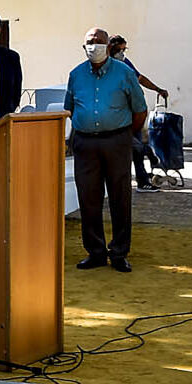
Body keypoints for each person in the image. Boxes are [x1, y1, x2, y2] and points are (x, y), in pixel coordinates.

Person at [65, 26, 147, 273]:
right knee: (88, 198)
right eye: (90, 42)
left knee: (120, 197)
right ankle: (96, 252)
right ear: (84, 47)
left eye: (99, 41)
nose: (94, 46)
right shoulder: (76, 74)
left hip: (117, 140)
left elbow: (140, 109)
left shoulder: (124, 72)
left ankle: (119, 252)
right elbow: (70, 108)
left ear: (108, 46)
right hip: (85, 143)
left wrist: (125, 135)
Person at [108, 34, 169, 191]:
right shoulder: (106, 66)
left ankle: (142, 180)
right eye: (119, 50)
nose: (122, 53)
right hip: (116, 116)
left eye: (124, 50)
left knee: (137, 148)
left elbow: (140, 78)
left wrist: (157, 89)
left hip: (132, 113)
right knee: (136, 147)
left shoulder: (124, 64)